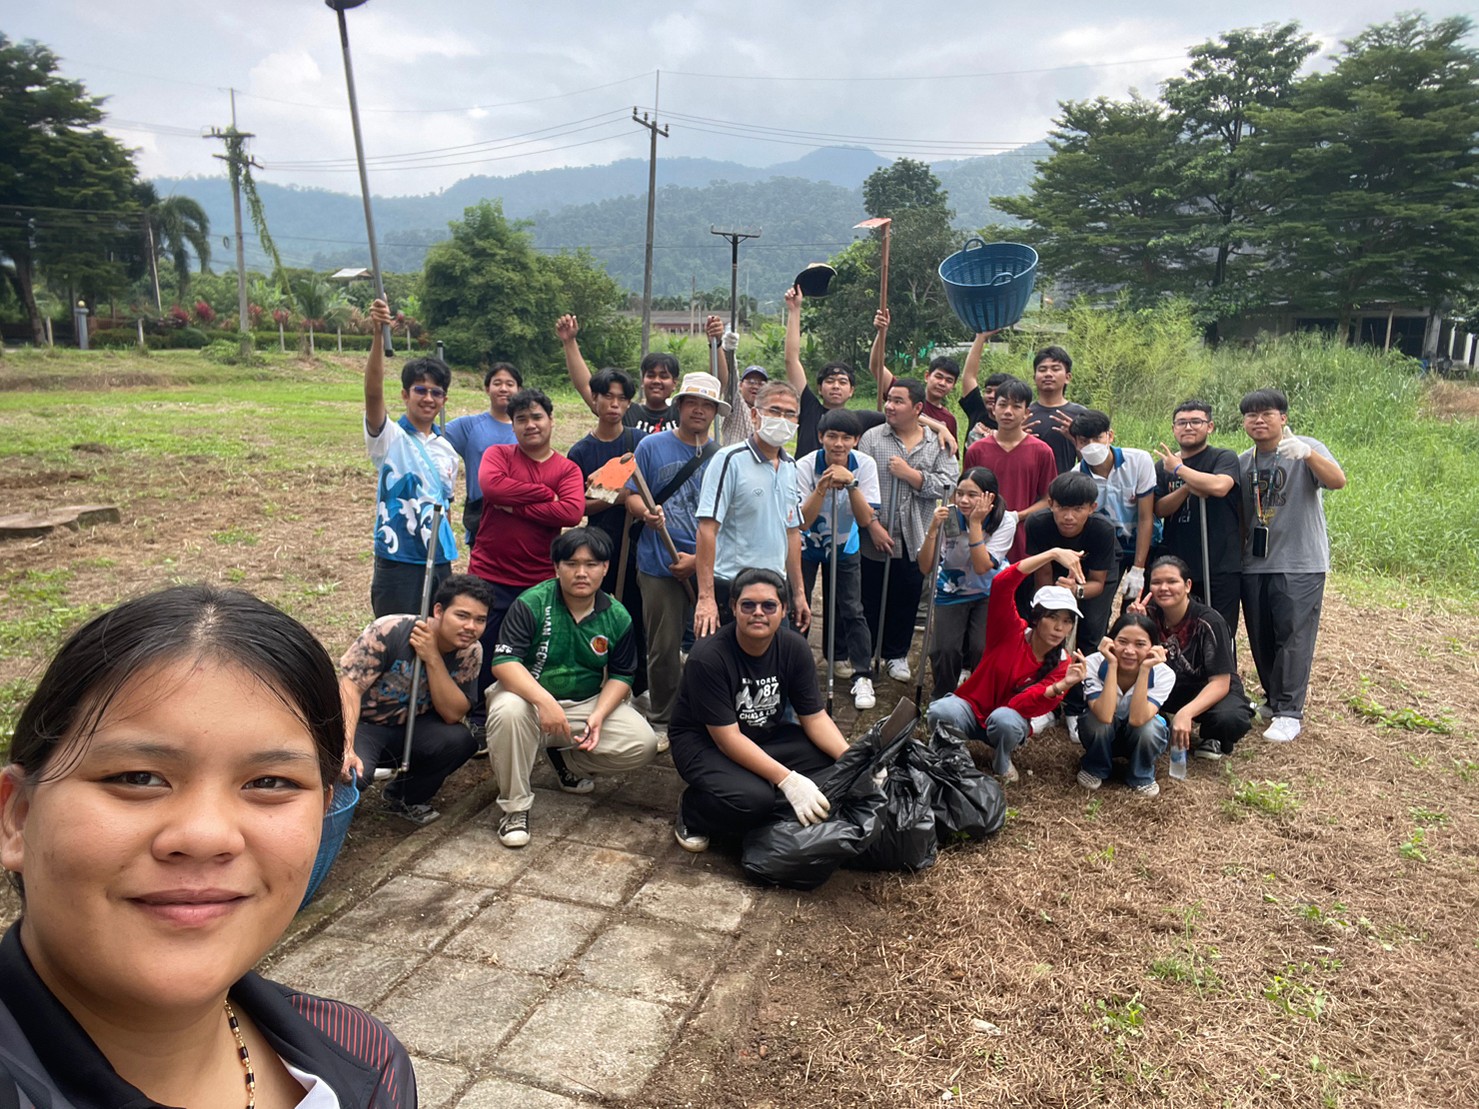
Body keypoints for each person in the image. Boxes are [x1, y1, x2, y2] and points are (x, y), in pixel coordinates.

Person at [0, 585, 416, 1108]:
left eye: (270, 783)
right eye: (138, 777)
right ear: (18, 817)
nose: (205, 836)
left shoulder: (369, 1061)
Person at [485, 528, 658, 848]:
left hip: (584, 703)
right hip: (527, 699)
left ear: (605, 568)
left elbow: (622, 675)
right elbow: (504, 663)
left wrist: (600, 715)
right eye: (571, 563)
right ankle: (515, 807)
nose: (581, 572)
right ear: (556, 567)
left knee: (642, 743)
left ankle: (566, 761)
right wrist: (544, 701)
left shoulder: (617, 615)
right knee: (507, 711)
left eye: (591, 564)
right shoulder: (532, 603)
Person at [668, 568, 850, 853]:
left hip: (762, 734)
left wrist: (854, 760)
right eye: (748, 605)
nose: (758, 613)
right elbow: (727, 739)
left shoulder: (794, 648)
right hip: (704, 744)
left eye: (769, 606)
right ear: (733, 608)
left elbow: (815, 717)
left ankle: (754, 796)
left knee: (832, 763)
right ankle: (694, 810)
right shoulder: (708, 658)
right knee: (754, 800)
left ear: (784, 609)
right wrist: (787, 779)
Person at [468, 387, 585, 726]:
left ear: (551, 420)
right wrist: (545, 494)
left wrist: (516, 505)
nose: (530, 424)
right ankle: (478, 717)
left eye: (537, 417)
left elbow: (571, 511)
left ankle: (529, 714)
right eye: (521, 419)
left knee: (532, 650)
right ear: (513, 424)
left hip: (538, 579)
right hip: (488, 573)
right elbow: (492, 487)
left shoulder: (567, 469)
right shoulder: (499, 455)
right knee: (482, 647)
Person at [926, 547, 1090, 784]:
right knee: (940, 711)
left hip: (1005, 721)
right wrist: (1051, 554)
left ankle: (1001, 759)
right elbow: (1002, 583)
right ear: (1036, 618)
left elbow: (1020, 706)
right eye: (1052, 617)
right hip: (971, 709)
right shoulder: (1011, 630)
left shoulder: (1063, 665)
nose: (1059, 628)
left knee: (1004, 719)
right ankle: (951, 752)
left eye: (1066, 621)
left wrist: (1060, 687)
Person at [1238, 388, 1347, 743]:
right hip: (1256, 563)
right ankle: (1274, 700)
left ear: (1283, 418)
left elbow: (1337, 481)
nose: (1258, 420)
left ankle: (1290, 712)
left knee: (1294, 636)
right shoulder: (1243, 462)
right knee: (1262, 636)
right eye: (1251, 415)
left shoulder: (1306, 448)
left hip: (1300, 562)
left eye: (1267, 413)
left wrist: (1308, 455)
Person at [340, 573, 490, 825]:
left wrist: (432, 657)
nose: (470, 627)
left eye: (480, 620)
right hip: (365, 725)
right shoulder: (389, 629)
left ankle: (405, 797)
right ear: (439, 611)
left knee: (460, 740)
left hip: (414, 728)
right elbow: (348, 689)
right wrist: (346, 747)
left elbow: (453, 714)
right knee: (354, 774)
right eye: (462, 616)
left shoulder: (471, 652)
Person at [626, 372, 722, 731]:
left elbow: (729, 517)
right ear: (678, 406)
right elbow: (631, 495)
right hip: (658, 563)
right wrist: (645, 514)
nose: (698, 410)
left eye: (707, 404)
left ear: (715, 412)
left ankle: (710, 712)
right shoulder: (651, 447)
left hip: (708, 564)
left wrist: (697, 562)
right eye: (691, 402)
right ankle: (663, 717)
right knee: (662, 647)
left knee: (711, 643)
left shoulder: (722, 456)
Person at [857, 378, 961, 682]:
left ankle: (896, 653)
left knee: (907, 594)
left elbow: (948, 485)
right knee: (869, 595)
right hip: (876, 530)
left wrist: (912, 476)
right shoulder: (873, 438)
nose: (889, 406)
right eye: (889, 399)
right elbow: (860, 486)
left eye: (898, 401)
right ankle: (866, 653)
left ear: (917, 408)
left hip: (917, 533)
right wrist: (872, 525)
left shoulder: (937, 443)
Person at [362, 297, 458, 618]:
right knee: (396, 634)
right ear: (405, 394)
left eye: (436, 392)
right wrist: (379, 335)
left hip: (440, 558)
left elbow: (446, 505)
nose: (428, 398)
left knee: (436, 634)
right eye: (420, 390)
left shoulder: (447, 450)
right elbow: (373, 392)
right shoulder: (389, 437)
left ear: (444, 400)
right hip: (398, 556)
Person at [695, 380, 810, 637]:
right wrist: (706, 598)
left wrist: (799, 593)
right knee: (725, 659)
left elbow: (792, 532)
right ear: (755, 415)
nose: (782, 420)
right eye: (775, 411)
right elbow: (707, 529)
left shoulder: (790, 466)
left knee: (774, 658)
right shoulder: (729, 460)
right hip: (733, 586)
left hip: (774, 588)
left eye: (790, 414)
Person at [797, 408, 887, 710]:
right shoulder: (804, 466)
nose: (838, 444)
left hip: (845, 543)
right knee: (799, 604)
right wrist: (822, 486)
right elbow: (803, 522)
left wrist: (851, 484)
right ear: (820, 437)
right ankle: (794, 669)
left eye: (846, 437)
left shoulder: (865, 465)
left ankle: (863, 675)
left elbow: (865, 519)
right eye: (832, 436)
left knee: (852, 607)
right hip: (807, 545)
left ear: (856, 439)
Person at [566, 366, 648, 694]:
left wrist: (623, 491)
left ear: (628, 404)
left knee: (635, 615)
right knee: (597, 612)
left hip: (637, 543)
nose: (614, 404)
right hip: (599, 544)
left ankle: (638, 686)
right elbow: (579, 507)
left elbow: (648, 488)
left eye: (621, 398)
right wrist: (617, 495)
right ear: (594, 399)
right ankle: (594, 678)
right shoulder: (581, 451)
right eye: (607, 397)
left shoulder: (639, 442)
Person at [1023, 471, 1120, 735]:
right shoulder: (1038, 523)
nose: (1069, 516)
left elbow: (1098, 582)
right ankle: (1046, 704)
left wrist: (1076, 591)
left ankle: (1077, 707)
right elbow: (1043, 576)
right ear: (1051, 504)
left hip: (1093, 580)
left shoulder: (1102, 530)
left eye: (1078, 509)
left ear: (1092, 507)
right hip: (1054, 574)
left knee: (1090, 636)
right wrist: (1053, 603)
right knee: (1047, 632)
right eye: (1062, 508)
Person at [1131, 555, 1253, 759]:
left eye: (1172, 581)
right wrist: (1132, 625)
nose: (1164, 588)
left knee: (1230, 718)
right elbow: (1124, 662)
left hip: (1206, 688)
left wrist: (1186, 713)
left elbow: (1220, 683)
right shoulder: (1146, 614)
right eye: (1156, 582)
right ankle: (1161, 719)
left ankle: (1213, 736)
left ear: (1187, 585)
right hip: (1166, 686)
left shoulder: (1209, 621)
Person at [917, 467, 1017, 701]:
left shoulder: (1005, 521)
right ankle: (943, 696)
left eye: (972, 495)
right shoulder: (948, 517)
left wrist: (975, 524)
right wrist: (933, 529)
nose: (963, 500)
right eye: (959, 493)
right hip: (952, 587)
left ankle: (979, 697)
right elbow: (925, 566)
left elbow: (982, 566)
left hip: (989, 590)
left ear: (990, 497)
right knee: (944, 649)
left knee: (981, 647)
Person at [1154, 399, 1243, 634]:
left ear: (1209, 426)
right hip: (1179, 563)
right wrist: (1187, 487)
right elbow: (1159, 509)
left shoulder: (1223, 457)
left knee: (1220, 631)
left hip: (1220, 561)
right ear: (1173, 428)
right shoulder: (1162, 466)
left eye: (1196, 421)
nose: (1188, 427)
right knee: (1182, 631)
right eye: (1181, 422)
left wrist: (1179, 470)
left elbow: (1220, 486)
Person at [559, 313, 711, 434]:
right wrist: (569, 341)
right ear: (642, 381)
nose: (656, 380)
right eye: (650, 375)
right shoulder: (624, 410)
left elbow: (714, 388)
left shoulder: (682, 413)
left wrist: (715, 344)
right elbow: (586, 386)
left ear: (674, 384)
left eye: (664, 376)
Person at [1076, 613, 1175, 798]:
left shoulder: (1164, 674)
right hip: (1104, 731)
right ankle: (1095, 766)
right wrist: (1112, 665)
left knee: (1150, 728)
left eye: (1140, 644)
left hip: (1137, 735)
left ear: (1153, 647)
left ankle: (1141, 774)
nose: (1129, 651)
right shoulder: (1093, 663)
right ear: (1110, 641)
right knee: (1095, 721)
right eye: (1122, 642)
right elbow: (1104, 716)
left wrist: (1145, 669)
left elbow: (1138, 719)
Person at [783, 285, 885, 458]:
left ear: (852, 390)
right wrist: (794, 310)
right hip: (805, 475)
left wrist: (881, 333)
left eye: (843, 382)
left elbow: (901, 416)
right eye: (830, 381)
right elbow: (791, 360)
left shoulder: (861, 419)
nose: (836, 386)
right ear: (819, 388)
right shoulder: (809, 408)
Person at [963, 377, 1056, 561]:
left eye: (1016, 406)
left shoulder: (1042, 451)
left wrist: (1016, 517)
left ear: (1026, 413)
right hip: (981, 537)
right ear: (993, 408)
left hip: (1024, 538)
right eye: (1003, 404)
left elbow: (1049, 499)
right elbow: (964, 494)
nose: (1008, 411)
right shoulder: (976, 450)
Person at [1069, 409, 1157, 605]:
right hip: (1104, 549)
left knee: (1137, 607)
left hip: (1140, 544)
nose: (1092, 446)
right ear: (1076, 443)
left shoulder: (1138, 461)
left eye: (1097, 438)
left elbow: (1145, 517)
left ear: (1110, 436)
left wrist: (1139, 568)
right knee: (1097, 609)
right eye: (1084, 441)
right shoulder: (1077, 477)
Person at [443, 360, 520, 547]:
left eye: (510, 384)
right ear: (487, 389)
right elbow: (430, 436)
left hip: (519, 515)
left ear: (519, 389)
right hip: (480, 517)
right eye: (497, 383)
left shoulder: (528, 429)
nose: (503, 389)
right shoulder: (468, 426)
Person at [871, 307, 962, 445]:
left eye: (949, 380)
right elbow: (877, 367)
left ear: (953, 386)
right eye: (938, 377)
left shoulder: (949, 420)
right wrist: (881, 332)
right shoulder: (904, 395)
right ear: (927, 376)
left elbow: (951, 451)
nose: (942, 383)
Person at [1027, 345, 1088, 473]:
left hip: (1065, 483)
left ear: (1068, 377)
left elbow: (1092, 465)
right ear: (1034, 378)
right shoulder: (1023, 414)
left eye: (1055, 369)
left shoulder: (1081, 414)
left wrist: (1076, 441)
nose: (1048, 374)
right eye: (1042, 369)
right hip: (1028, 484)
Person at [958, 329, 1010, 446]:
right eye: (988, 391)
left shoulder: (1014, 423)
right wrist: (980, 338)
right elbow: (969, 376)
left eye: (997, 392)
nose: (991, 396)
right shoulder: (978, 410)